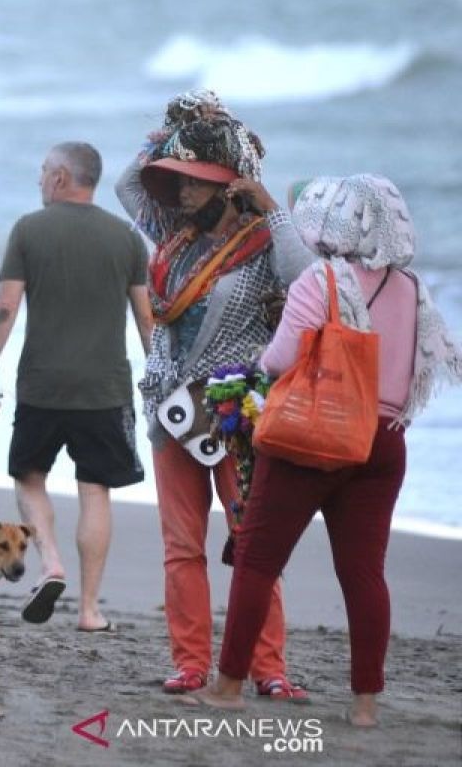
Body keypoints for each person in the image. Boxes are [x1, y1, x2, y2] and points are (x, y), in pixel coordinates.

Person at [191, 175, 462, 725]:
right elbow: (414, 369)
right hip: (383, 442)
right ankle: (365, 704)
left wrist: (258, 364)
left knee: (258, 561)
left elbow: (280, 358)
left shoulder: (323, 280)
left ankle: (228, 687)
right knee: (364, 574)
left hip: (313, 437)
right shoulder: (411, 287)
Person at [115, 90, 313, 696]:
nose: (182, 193)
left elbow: (308, 279)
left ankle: (269, 670)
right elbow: (128, 184)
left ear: (228, 188)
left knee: (253, 546)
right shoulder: (171, 236)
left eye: (196, 183)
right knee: (181, 546)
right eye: (178, 182)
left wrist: (271, 206)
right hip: (171, 414)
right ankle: (190, 664)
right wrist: (179, 130)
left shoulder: (262, 247)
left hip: (239, 416)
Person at [0, 141, 152, 630]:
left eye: (42, 172)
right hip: (106, 389)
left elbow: (5, 309)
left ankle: (50, 560)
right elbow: (146, 319)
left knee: (29, 477)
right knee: (95, 489)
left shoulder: (29, 231)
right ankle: (91, 610)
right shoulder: (126, 238)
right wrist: (159, 382)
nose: (39, 181)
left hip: (42, 386)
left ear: (59, 177)